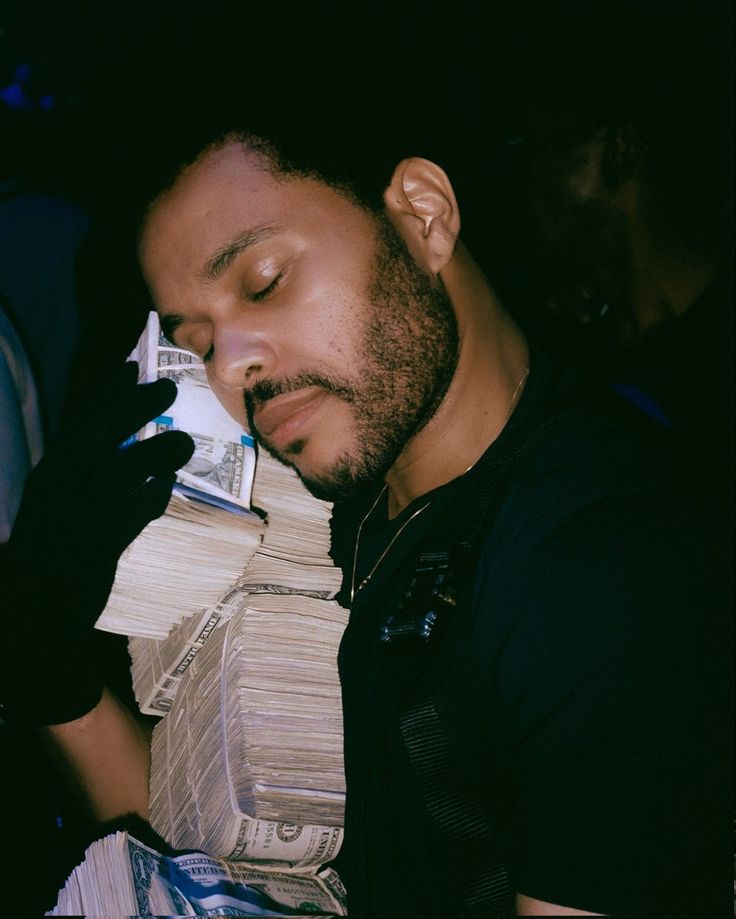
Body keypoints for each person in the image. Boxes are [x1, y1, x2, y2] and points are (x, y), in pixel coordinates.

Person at [0, 122, 731, 918]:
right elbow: (220, 855)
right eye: (197, 340)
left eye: (264, 280)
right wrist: (47, 661)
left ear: (423, 215)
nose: (231, 366)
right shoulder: (350, 511)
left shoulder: (603, 572)